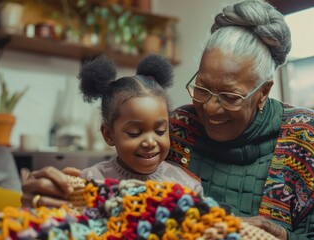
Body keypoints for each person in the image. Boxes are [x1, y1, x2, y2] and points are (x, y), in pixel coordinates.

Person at [167, 0, 314, 239]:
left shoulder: (305, 134)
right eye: (202, 88)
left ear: (263, 92)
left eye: (230, 96)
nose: (210, 107)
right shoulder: (180, 127)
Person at [21, 54, 203, 209]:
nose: (150, 141)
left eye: (160, 131)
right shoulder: (90, 182)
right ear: (108, 134)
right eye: (134, 133)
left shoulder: (186, 186)